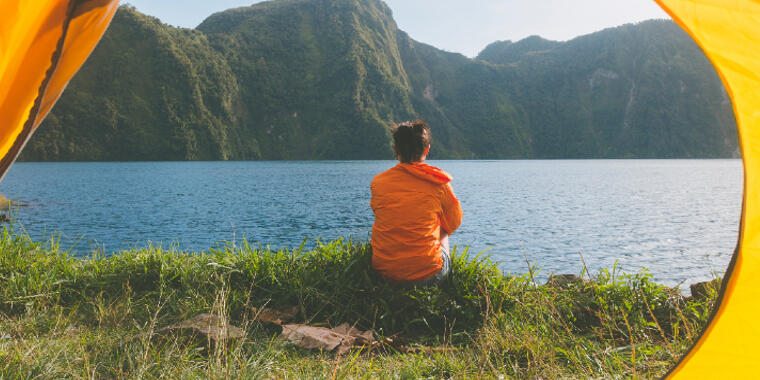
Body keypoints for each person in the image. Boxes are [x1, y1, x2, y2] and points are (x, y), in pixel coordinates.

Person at [370, 120, 463, 286]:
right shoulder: (439, 183)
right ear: (426, 150)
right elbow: (454, 222)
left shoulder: (378, 182)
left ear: (396, 150)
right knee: (444, 228)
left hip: (384, 273)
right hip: (428, 277)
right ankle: (444, 282)